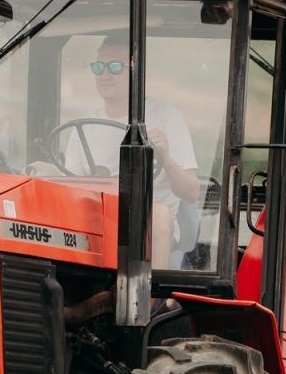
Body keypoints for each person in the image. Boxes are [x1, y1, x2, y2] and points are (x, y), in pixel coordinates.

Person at [60, 32, 201, 265]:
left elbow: (191, 192)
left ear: (135, 71)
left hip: (147, 220)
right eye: (99, 67)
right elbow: (71, 186)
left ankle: (152, 299)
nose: (105, 75)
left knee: (158, 215)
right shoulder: (83, 126)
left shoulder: (165, 117)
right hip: (97, 216)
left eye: (115, 67)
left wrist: (166, 159)